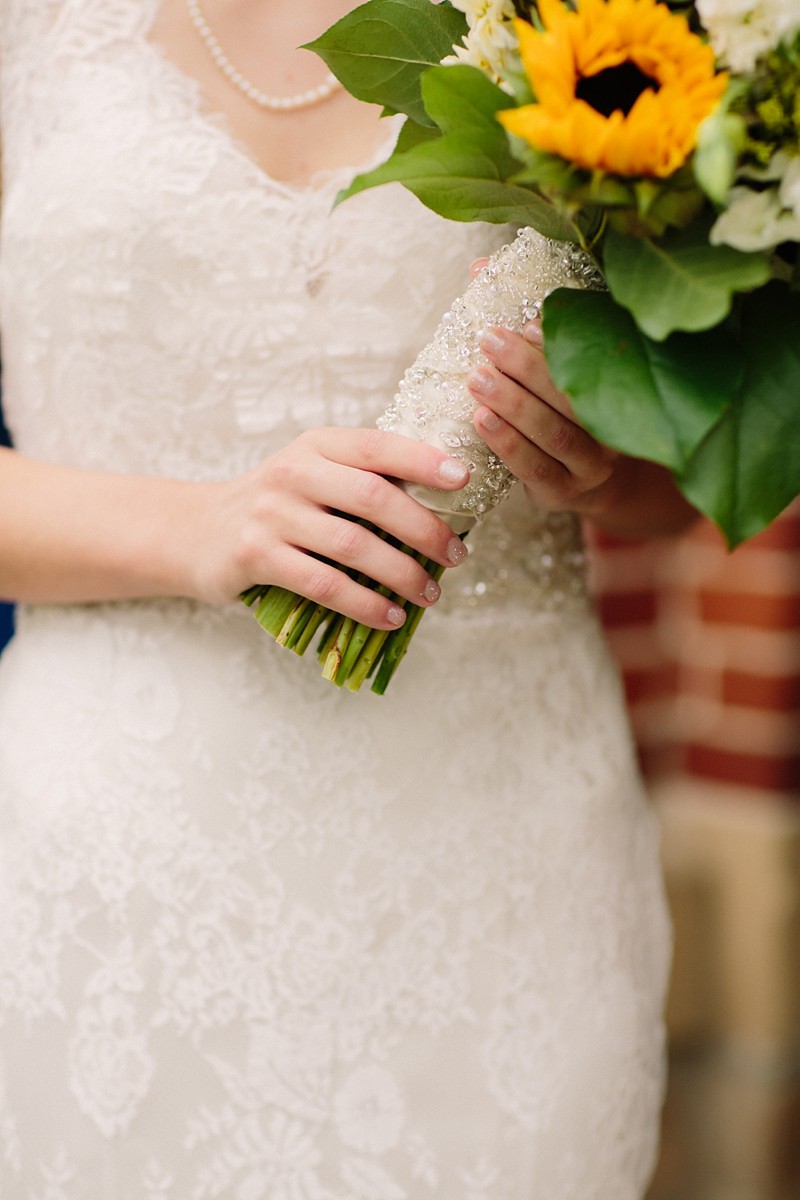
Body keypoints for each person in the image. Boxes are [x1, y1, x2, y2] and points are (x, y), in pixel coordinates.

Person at [0, 1, 696, 1196]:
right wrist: (197, 526)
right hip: (104, 873)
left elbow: (692, 483)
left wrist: (608, 462)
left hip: (499, 854)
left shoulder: (607, 29)